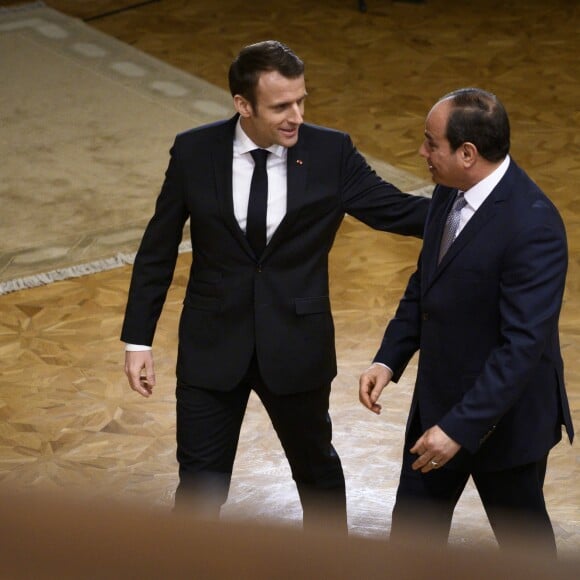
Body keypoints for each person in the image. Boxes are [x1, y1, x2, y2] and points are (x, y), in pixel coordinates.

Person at [121, 40, 429, 532]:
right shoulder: (195, 151)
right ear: (243, 105)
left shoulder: (331, 152)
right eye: (281, 106)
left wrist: (479, 206)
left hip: (296, 343)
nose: (296, 116)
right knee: (199, 487)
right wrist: (138, 339)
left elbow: (396, 210)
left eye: (302, 100)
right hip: (211, 346)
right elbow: (157, 248)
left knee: (317, 474)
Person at [359, 88, 574, 554]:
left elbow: (521, 348)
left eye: (430, 143)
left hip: (505, 423)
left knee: (527, 556)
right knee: (410, 546)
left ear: (468, 153)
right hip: (436, 405)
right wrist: (388, 360)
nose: (422, 153)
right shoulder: (448, 193)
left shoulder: (533, 226)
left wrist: (458, 428)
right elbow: (426, 284)